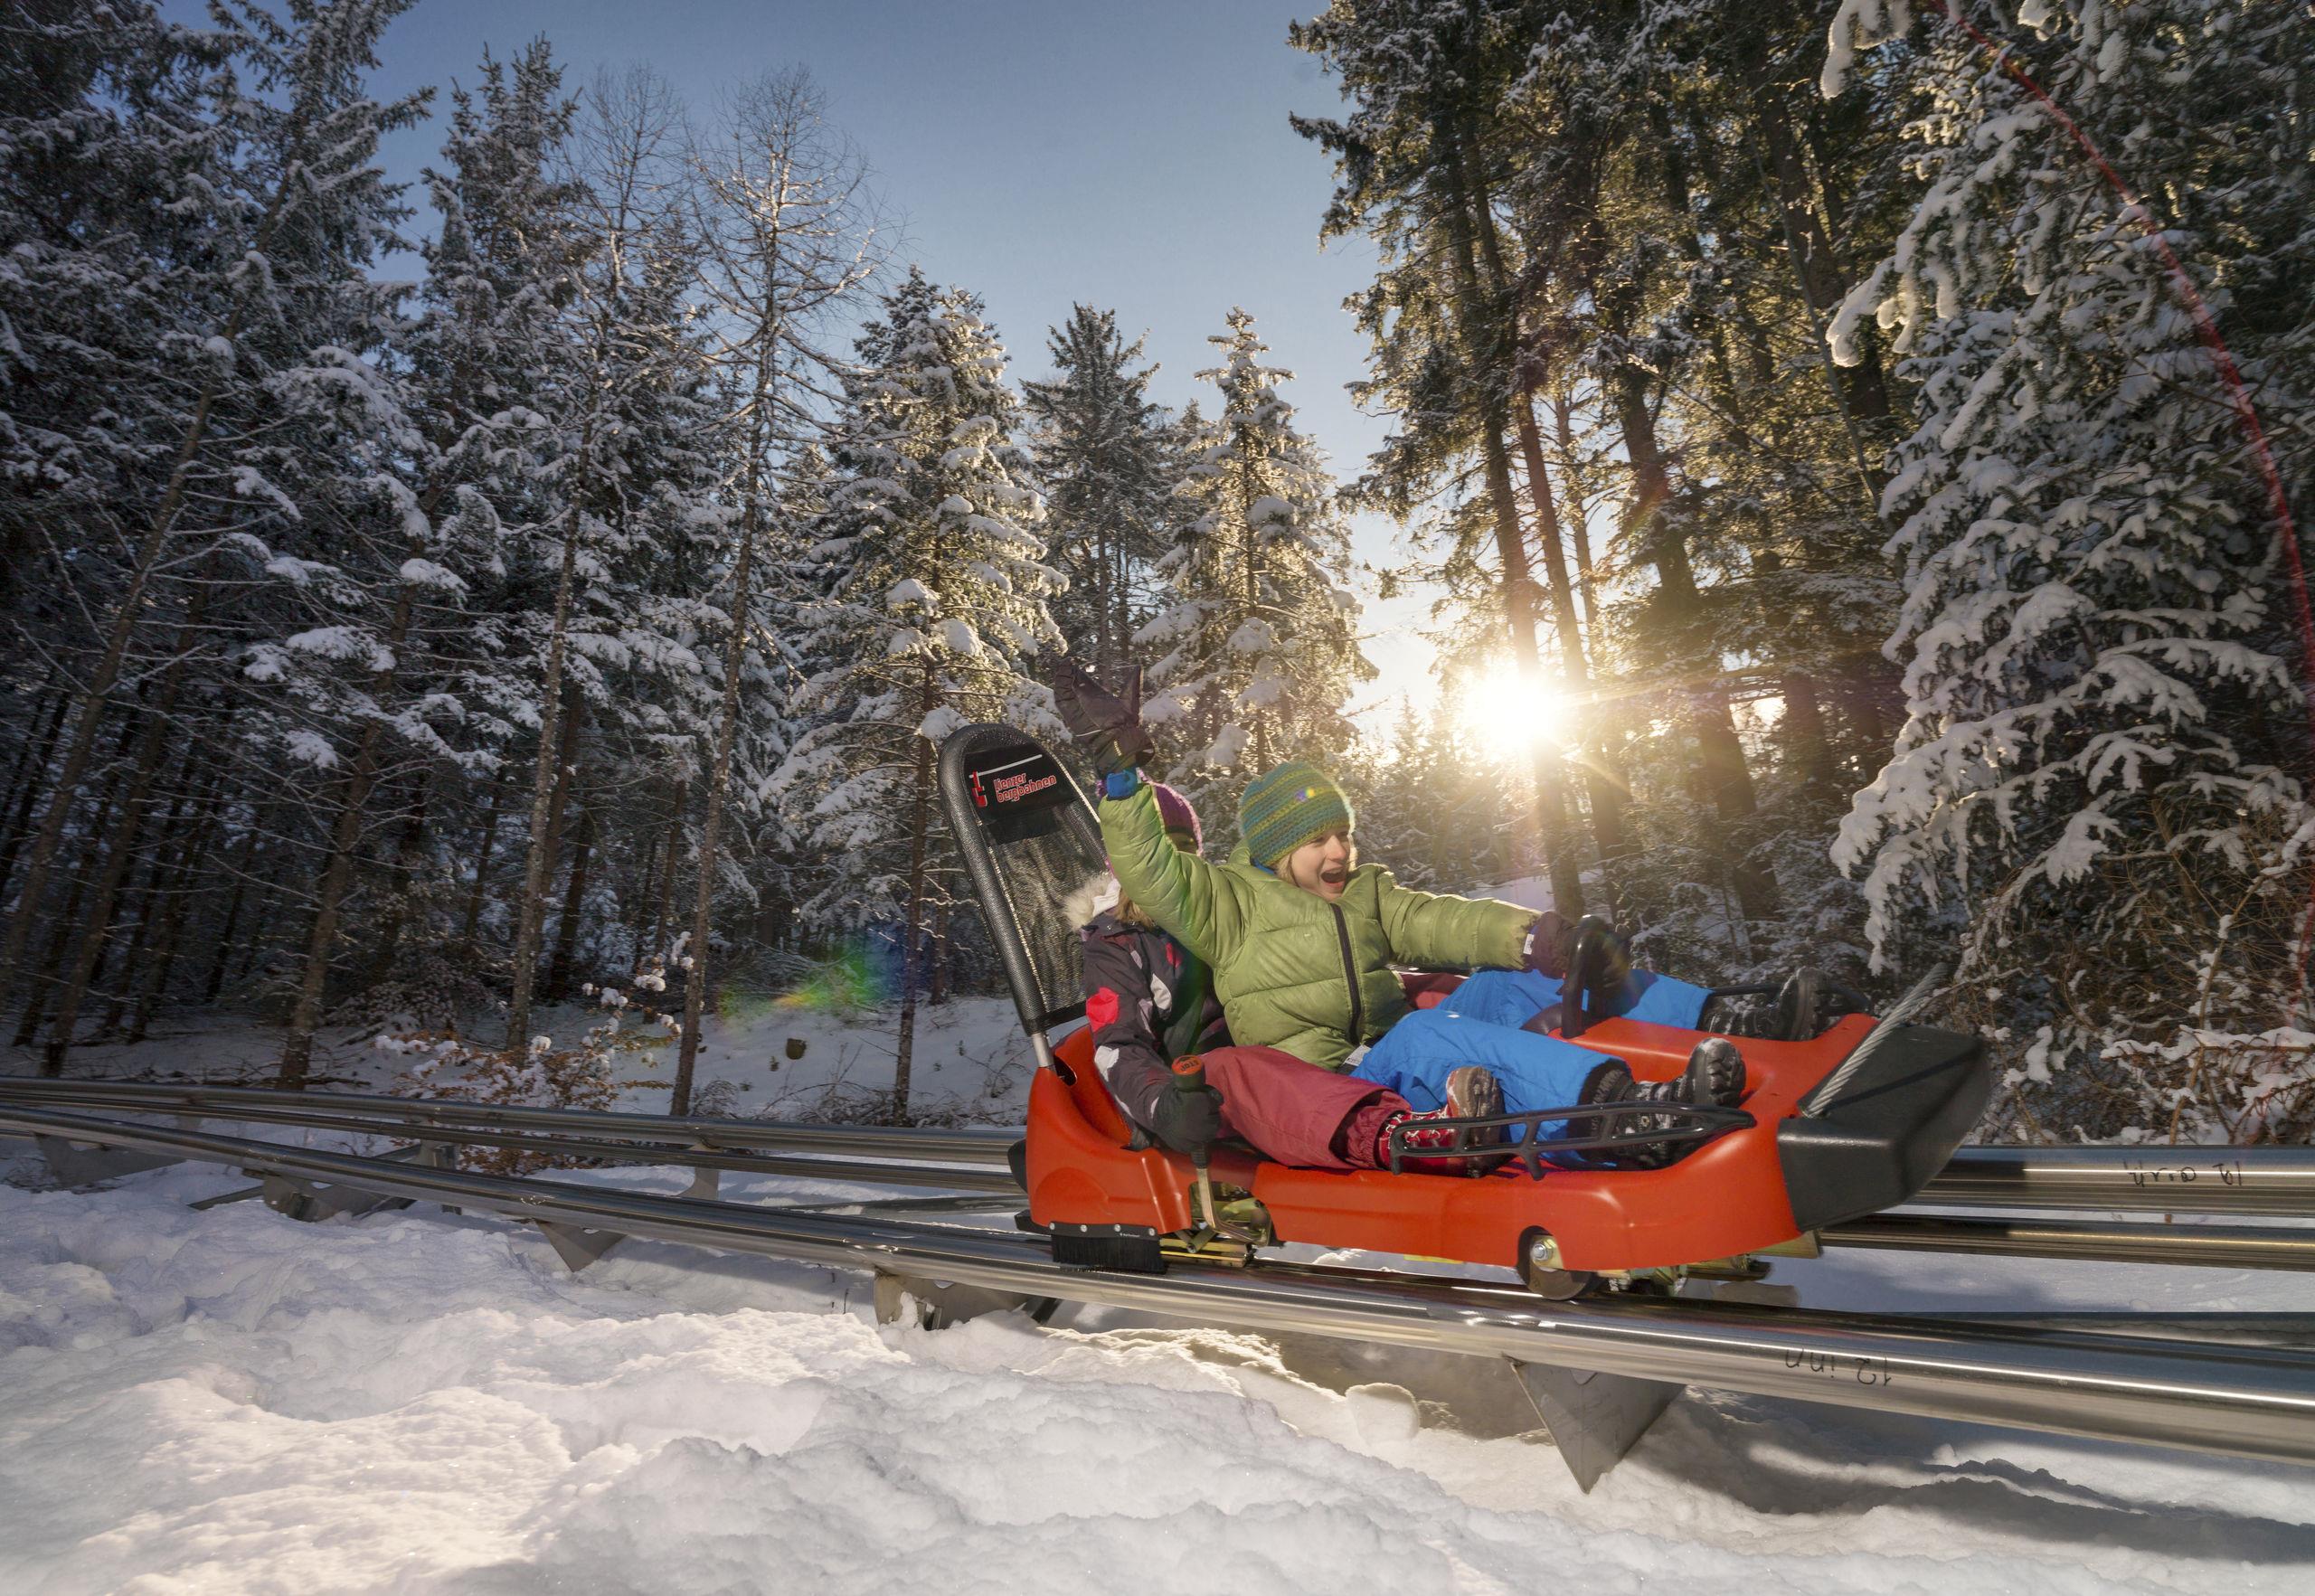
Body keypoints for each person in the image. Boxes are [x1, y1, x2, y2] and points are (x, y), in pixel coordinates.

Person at [1053, 659, 1749, 1172]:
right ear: (1275, 851)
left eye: (1343, 835)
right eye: (1318, 841)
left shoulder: (1363, 891)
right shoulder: (1228, 904)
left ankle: (1721, 1015)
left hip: (1390, 1046)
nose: (1338, 851)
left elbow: (1440, 920)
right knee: (1422, 1032)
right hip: (1341, 1077)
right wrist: (1121, 775)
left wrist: (1532, 937)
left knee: (1505, 982)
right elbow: (1151, 867)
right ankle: (1625, 1112)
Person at [1072, 779, 1498, 1175]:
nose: (1175, 861)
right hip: (1202, 1098)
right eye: (1162, 849)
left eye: (1183, 846)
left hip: (1285, 1056)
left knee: (1412, 985)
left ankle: (1508, 1048)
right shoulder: (1118, 944)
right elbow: (1117, 1046)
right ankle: (1399, 1137)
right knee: (1230, 1067)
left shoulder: (1220, 906)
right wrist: (1164, 1105)